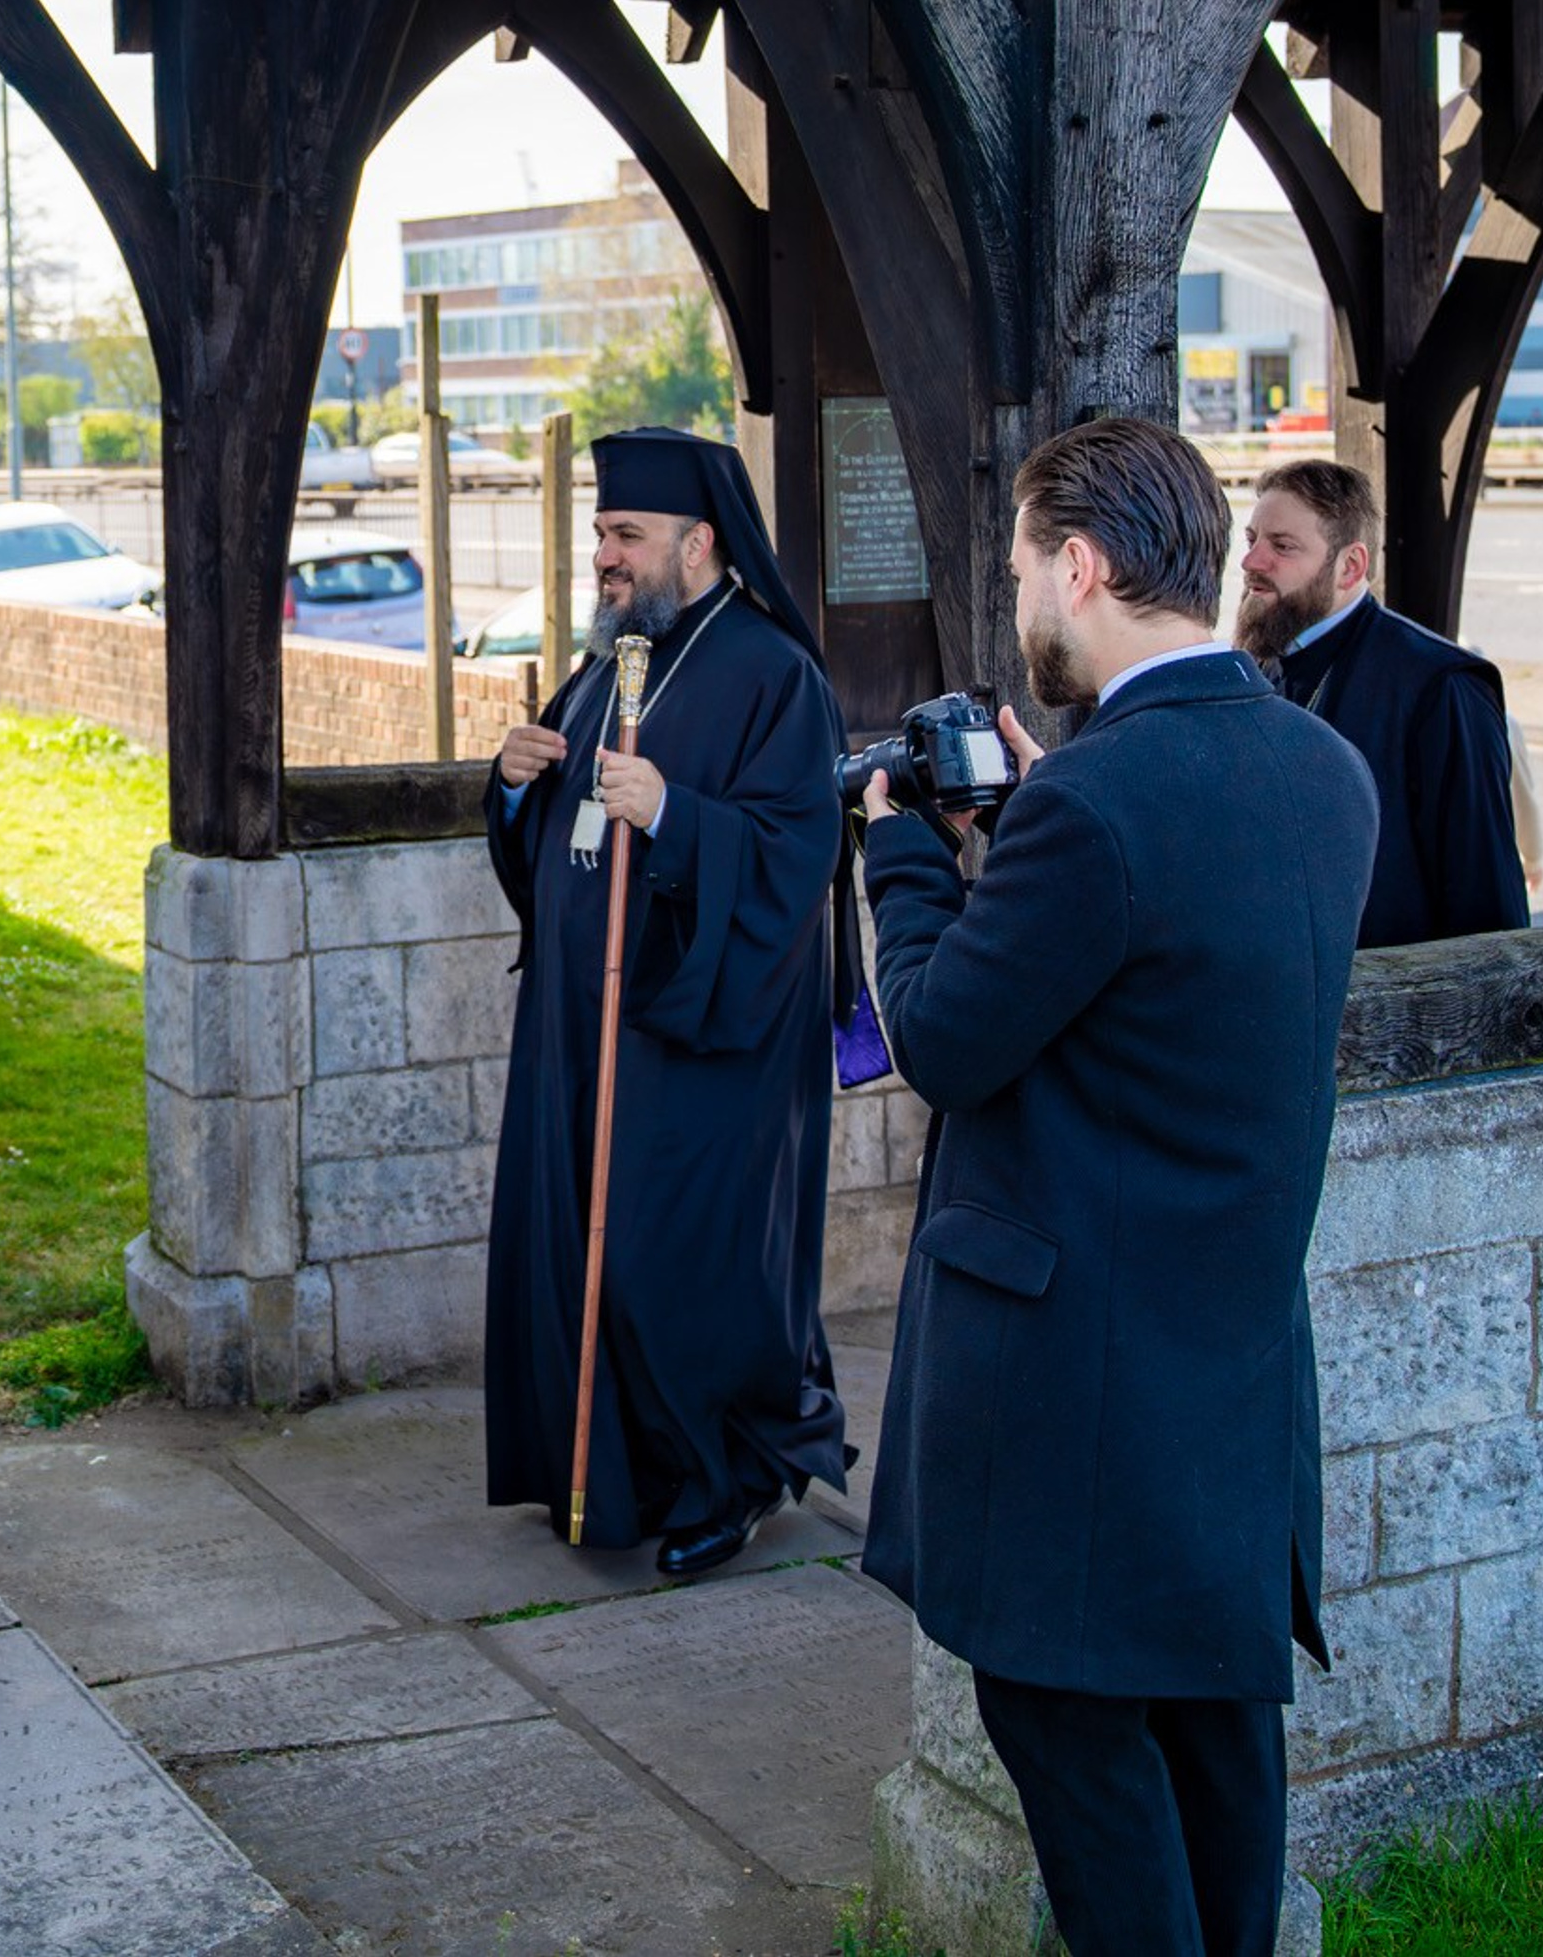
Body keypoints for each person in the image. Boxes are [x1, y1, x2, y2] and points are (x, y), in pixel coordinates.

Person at [862, 417, 1376, 1957]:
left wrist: (899, 858)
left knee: (1074, 1737)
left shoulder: (1091, 806)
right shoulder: (1322, 769)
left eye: (1025, 566)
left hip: (1086, 1385)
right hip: (1233, 1368)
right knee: (1218, 1735)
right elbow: (1162, 982)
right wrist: (1026, 834)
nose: (1022, 602)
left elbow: (948, 1042)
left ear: (1078, 566)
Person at [483, 426, 847, 1577]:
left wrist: (679, 816)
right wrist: (508, 787)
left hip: (702, 1038)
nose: (605, 556)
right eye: (599, 533)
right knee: (579, 1245)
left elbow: (801, 851)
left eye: (625, 535)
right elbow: (563, 841)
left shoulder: (774, 675)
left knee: (670, 1258)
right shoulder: (606, 666)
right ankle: (613, 1473)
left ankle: (726, 1478)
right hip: (580, 1029)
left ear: (699, 542)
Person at [1238, 458, 1524, 946]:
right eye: (1252, 541)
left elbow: (1487, 906)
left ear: (1350, 566)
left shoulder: (1441, 686)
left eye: (1281, 547)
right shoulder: (1261, 666)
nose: (1251, 563)